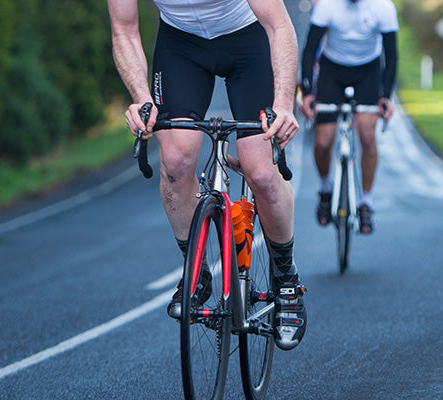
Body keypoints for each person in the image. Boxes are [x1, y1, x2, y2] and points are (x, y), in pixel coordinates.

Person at [107, 0, 306, 351]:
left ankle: (286, 277)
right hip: (180, 44)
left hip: (248, 39)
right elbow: (124, 29)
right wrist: (141, 98)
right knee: (176, 162)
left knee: (260, 172)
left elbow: (279, 27)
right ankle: (197, 272)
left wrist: (283, 105)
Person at [300, 0, 399, 234]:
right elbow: (309, 48)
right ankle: (326, 189)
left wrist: (385, 96)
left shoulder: (383, 7)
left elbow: (392, 55)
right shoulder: (327, 5)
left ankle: (366, 201)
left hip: (368, 72)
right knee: (323, 141)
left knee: (367, 136)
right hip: (331, 71)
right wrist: (307, 94)